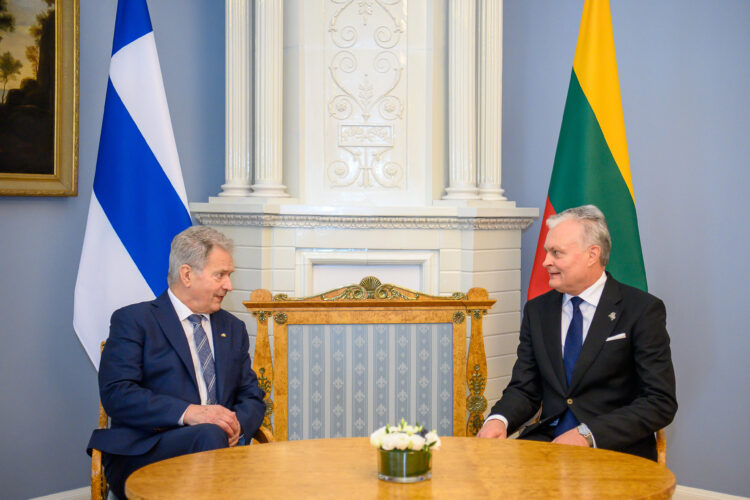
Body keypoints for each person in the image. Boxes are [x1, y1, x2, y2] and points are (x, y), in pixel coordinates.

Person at [477, 205, 676, 460]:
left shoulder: (641, 310)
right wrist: (499, 419)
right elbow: (525, 388)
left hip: (613, 448)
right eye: (547, 252)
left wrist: (587, 435)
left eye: (556, 253)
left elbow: (659, 401)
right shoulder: (538, 311)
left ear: (592, 254)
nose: (545, 261)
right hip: (547, 444)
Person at [87, 226, 266, 499]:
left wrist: (236, 425)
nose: (229, 285)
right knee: (208, 434)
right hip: (146, 449)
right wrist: (190, 412)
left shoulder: (233, 328)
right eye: (220, 275)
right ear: (187, 275)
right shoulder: (135, 321)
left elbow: (252, 397)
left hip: (219, 448)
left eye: (229, 275)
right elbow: (118, 394)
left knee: (215, 437)